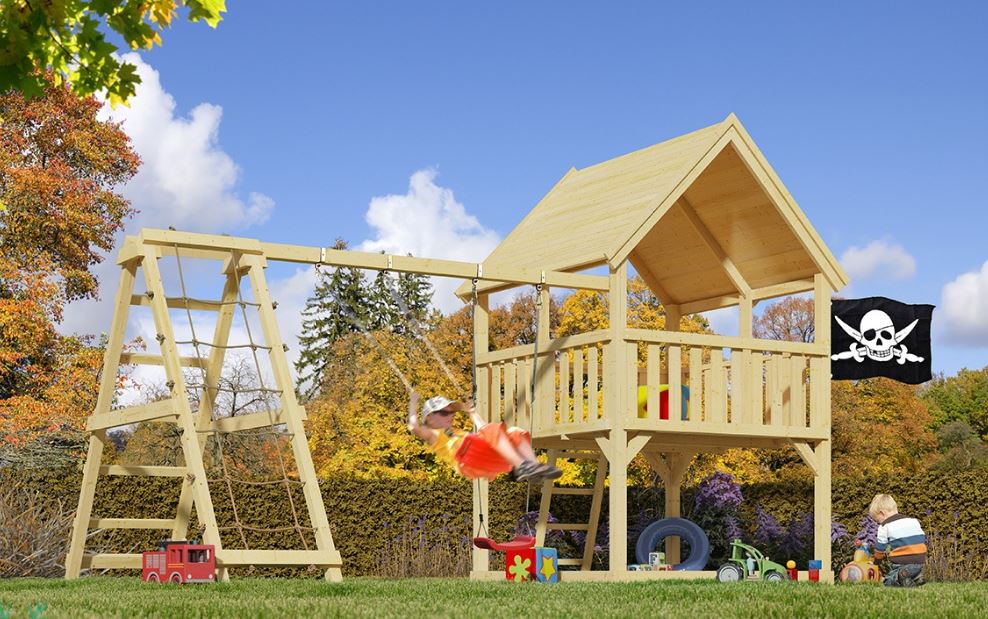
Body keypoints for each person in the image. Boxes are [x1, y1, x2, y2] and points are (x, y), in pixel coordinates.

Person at [407, 391, 562, 482]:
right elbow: (413, 426)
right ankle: (522, 466)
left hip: (481, 457)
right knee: (490, 430)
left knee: (515, 432)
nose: (451, 415)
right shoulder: (432, 433)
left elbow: (482, 428)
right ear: (430, 417)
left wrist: (472, 413)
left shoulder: (455, 431)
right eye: (444, 412)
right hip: (466, 459)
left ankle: (533, 466)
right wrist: (413, 403)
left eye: (452, 412)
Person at [869, 493, 926, 587]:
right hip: (920, 562)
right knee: (907, 572)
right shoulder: (913, 520)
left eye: (877, 520)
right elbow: (921, 537)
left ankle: (902, 575)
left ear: (882, 513)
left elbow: (880, 549)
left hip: (902, 564)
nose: (878, 523)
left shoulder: (884, 526)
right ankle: (916, 577)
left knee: (888, 581)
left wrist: (876, 562)